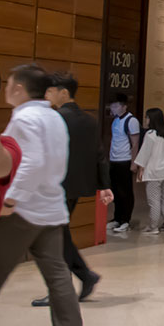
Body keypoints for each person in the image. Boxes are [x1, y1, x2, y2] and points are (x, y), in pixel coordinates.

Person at [0, 65, 85, 326]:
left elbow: (31, 162)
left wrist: (11, 199)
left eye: (9, 83)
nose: (6, 89)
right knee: (57, 271)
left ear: (19, 88)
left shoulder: (24, 118)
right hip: (51, 205)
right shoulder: (53, 116)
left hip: (23, 210)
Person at [30, 72, 113, 307]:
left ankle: (70, 284)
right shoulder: (89, 120)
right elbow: (99, 154)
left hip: (54, 187)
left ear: (64, 93)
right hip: (76, 188)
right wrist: (104, 186)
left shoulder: (54, 119)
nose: (47, 95)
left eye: (50, 91)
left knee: (54, 237)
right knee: (59, 234)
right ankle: (83, 276)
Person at [134, 108, 164, 235]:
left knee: (154, 200)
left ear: (151, 119)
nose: (145, 120)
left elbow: (145, 153)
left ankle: (153, 226)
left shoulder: (150, 135)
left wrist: (140, 168)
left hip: (154, 172)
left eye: (147, 117)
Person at [107, 93, 140, 233]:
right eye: (112, 106)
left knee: (125, 191)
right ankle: (117, 218)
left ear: (124, 106)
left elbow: (135, 143)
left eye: (116, 106)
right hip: (114, 160)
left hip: (125, 160)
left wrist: (134, 162)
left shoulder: (131, 121)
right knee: (115, 190)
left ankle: (125, 220)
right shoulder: (115, 121)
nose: (113, 108)